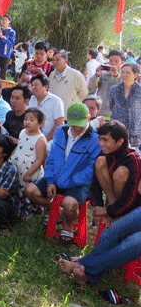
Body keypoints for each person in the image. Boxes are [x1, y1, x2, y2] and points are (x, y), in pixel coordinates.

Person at [58, 121, 141, 288]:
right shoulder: (109, 155)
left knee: (132, 243)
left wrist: (109, 210)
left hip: (131, 207)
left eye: (105, 140)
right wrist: (100, 206)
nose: (101, 144)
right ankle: (89, 274)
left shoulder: (132, 159)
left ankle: (83, 266)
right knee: (112, 232)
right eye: (100, 139)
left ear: (119, 142)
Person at [23, 103, 101, 243]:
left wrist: (69, 181)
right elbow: (51, 158)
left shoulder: (95, 139)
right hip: (57, 177)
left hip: (78, 183)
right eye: (73, 124)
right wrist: (50, 180)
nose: (76, 128)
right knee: (29, 190)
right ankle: (57, 210)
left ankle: (68, 223)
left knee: (70, 204)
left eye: (79, 124)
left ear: (89, 119)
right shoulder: (60, 131)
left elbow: (92, 169)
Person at [10, 108, 46, 217]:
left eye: (31, 120)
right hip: (18, 163)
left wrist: (29, 173)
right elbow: (18, 146)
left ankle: (29, 210)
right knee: (17, 187)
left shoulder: (40, 139)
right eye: (25, 119)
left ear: (40, 123)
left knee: (25, 189)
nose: (27, 122)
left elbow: (40, 159)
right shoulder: (22, 132)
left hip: (29, 168)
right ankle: (18, 207)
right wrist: (11, 158)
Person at [109, 63, 141, 148]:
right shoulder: (114, 89)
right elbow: (111, 106)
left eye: (127, 73)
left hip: (134, 132)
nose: (124, 75)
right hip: (116, 128)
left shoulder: (139, 90)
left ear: (135, 75)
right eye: (122, 72)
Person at [88, 49, 125, 118]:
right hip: (101, 112)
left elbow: (124, 89)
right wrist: (97, 75)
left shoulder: (124, 76)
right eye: (111, 60)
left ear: (122, 62)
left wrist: (116, 76)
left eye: (116, 61)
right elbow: (91, 86)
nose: (113, 63)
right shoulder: (103, 74)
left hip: (116, 114)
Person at [48, 49, 88, 114]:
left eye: (58, 60)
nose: (54, 62)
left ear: (65, 61)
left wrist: (73, 103)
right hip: (55, 114)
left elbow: (84, 93)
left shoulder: (75, 75)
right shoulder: (52, 75)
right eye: (53, 60)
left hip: (70, 115)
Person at [28, 74, 64, 141]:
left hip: (52, 139)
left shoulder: (56, 101)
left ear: (46, 87)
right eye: (32, 85)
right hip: (33, 137)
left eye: (36, 85)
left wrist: (45, 140)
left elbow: (59, 124)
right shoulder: (31, 99)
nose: (33, 87)